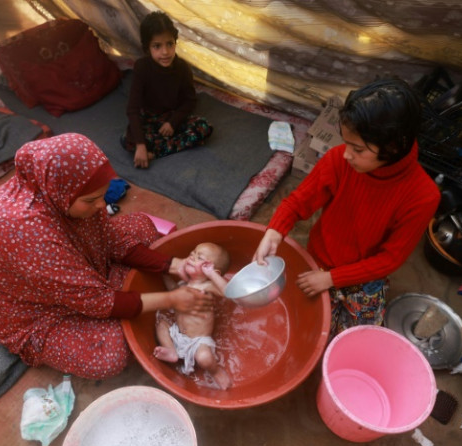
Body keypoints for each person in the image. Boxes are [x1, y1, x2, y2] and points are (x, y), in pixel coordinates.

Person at [0, 133, 213, 380]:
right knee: (109, 355)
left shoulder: (59, 188)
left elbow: (112, 237)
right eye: (91, 200)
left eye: (104, 194)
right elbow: (97, 302)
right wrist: (171, 299)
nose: (102, 206)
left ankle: (122, 283)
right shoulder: (28, 233)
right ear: (63, 193)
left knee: (143, 226)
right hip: (35, 309)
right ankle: (122, 285)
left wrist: (171, 265)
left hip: (67, 266)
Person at [254, 78, 441, 336]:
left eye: (358, 149)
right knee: (301, 325)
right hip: (319, 259)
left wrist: (331, 279)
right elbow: (298, 202)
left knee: (351, 338)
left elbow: (390, 258)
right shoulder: (338, 161)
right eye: (346, 143)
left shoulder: (423, 196)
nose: (346, 154)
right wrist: (274, 232)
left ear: (393, 147)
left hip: (364, 277)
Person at [123, 10, 212, 169]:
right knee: (128, 139)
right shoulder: (142, 67)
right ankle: (148, 149)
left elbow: (190, 100)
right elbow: (133, 109)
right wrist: (141, 144)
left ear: (175, 42)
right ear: (147, 48)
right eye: (157, 46)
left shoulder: (182, 68)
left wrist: (173, 122)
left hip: (171, 116)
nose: (165, 52)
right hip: (149, 118)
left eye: (170, 44)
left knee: (202, 127)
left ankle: (154, 154)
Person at [154, 242, 233, 389]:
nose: (192, 256)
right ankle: (171, 350)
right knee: (161, 324)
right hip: (178, 333)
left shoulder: (207, 286)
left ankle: (216, 372)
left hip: (198, 341)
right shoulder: (184, 284)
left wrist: (212, 275)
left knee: (204, 358)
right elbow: (173, 292)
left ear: (212, 270)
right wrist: (163, 274)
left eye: (199, 257)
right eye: (193, 252)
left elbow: (229, 292)